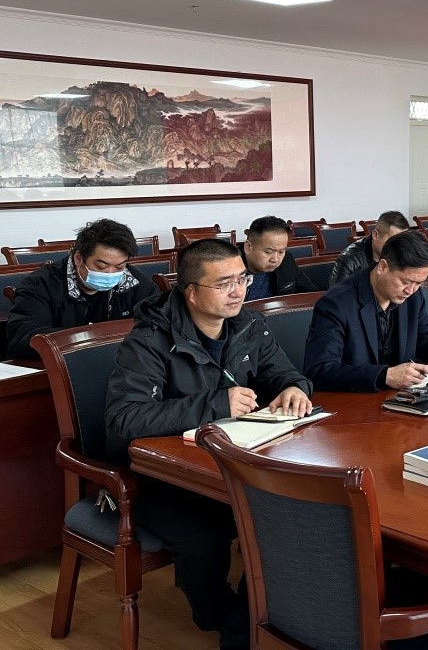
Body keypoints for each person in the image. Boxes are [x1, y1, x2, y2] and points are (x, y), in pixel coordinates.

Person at [104, 239, 314, 649]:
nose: (238, 292)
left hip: (228, 466)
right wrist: (217, 403)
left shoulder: (248, 324)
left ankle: (256, 620)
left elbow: (283, 372)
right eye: (224, 284)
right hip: (161, 479)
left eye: (242, 279)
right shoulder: (149, 340)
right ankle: (221, 617)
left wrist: (294, 387)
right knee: (204, 539)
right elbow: (122, 420)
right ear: (192, 292)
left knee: (287, 519)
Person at [304, 230, 428, 391]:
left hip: (403, 400)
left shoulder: (413, 296)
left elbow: (427, 339)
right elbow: (319, 370)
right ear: (383, 267)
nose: (411, 290)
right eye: (406, 281)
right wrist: (384, 376)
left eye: (418, 283)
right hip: (354, 405)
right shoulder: (336, 304)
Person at [5, 218, 157, 361]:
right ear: (79, 258)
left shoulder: (133, 282)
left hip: (122, 364)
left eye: (119, 266)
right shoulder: (40, 285)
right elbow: (23, 338)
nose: (110, 273)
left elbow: (159, 322)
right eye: (101, 266)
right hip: (66, 366)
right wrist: (85, 337)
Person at [238, 216, 317, 300]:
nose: (275, 259)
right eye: (268, 252)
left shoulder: (286, 260)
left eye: (281, 252)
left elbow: (311, 294)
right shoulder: (231, 268)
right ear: (248, 247)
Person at [328, 210, 409, 286]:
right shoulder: (350, 259)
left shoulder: (404, 253)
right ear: (375, 235)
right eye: (392, 241)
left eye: (402, 241)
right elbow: (337, 294)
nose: (398, 247)